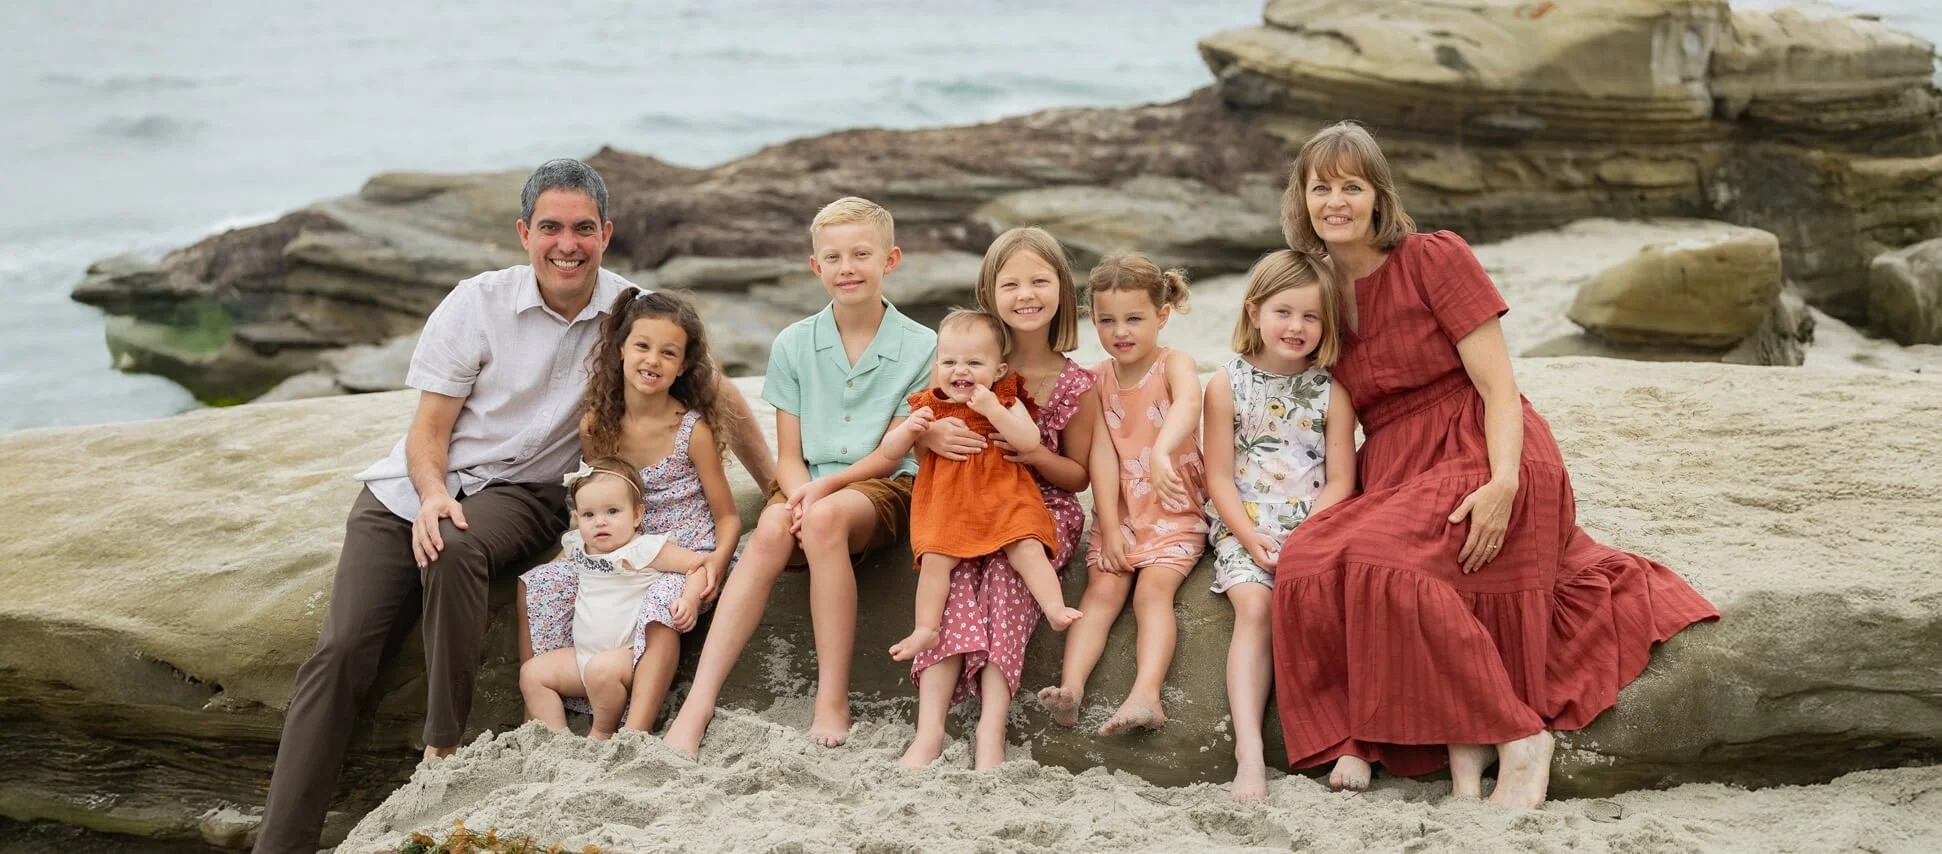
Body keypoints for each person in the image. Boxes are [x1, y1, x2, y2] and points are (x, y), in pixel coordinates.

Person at [252, 159, 771, 854]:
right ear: (525, 232)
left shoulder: (628, 313)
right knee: (343, 648)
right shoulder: (476, 303)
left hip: (523, 495)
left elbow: (718, 390)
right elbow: (428, 432)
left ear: (606, 234)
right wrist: (432, 496)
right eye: (551, 227)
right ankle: (280, 844)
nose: (567, 244)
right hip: (412, 490)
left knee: (459, 549)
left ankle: (443, 746)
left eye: (583, 229)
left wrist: (780, 490)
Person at [1269, 121, 1718, 808]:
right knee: (1305, 560)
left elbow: (1498, 387)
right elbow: (1279, 387)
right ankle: (1363, 735)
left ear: (1377, 195)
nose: (1336, 201)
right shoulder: (1315, 289)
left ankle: (1518, 736)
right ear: (1301, 200)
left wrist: (1503, 482)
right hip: (1392, 466)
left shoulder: (1433, 259)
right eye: (1320, 187)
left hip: (1482, 444)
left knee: (1387, 564)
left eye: (1351, 186)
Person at [660, 196, 936, 758]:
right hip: (807, 480)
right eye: (832, 256)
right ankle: (699, 702)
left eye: (862, 254)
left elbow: (890, 455)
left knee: (825, 519)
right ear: (815, 267)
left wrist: (820, 492)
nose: (847, 267)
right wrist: (798, 490)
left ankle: (831, 699)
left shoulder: (923, 346)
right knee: (769, 531)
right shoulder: (792, 343)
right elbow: (789, 455)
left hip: (881, 485)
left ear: (892, 259)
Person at [902, 227, 1100, 770]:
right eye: (1010, 283)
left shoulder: (1076, 382)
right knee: (953, 587)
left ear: (1062, 289)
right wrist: (930, 435)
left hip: (1039, 509)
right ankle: (930, 729)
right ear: (989, 293)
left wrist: (1032, 456)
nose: (1026, 294)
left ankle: (992, 727)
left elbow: (1077, 475)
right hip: (967, 503)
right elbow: (918, 417)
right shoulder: (967, 356)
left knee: (1007, 585)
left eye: (1040, 280)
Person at [518, 289, 744, 737]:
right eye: (642, 346)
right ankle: (542, 710)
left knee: (661, 604)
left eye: (668, 353)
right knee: (538, 583)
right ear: (620, 348)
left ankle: (635, 729)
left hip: (681, 555)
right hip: (618, 541)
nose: (652, 360)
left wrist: (715, 564)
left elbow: (729, 518)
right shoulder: (597, 426)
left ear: (683, 366)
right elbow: (593, 496)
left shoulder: (689, 430)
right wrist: (573, 550)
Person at [1200, 250, 1356, 802]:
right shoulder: (1225, 385)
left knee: (1334, 600)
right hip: (1246, 525)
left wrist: (1309, 535)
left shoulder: (1331, 392)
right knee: (1258, 606)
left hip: (1314, 525)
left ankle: (1352, 740)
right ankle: (1249, 753)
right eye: (1283, 312)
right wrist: (1248, 536)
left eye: (1311, 317)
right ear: (1254, 310)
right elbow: (1217, 476)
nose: (1296, 327)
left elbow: (1341, 479)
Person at [1037, 254, 1208, 737]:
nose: (1121, 331)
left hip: (1174, 509)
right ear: (1093, 320)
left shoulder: (1174, 364)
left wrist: (1161, 454)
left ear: (1162, 316)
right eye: (1107, 320)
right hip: (1123, 513)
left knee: (1152, 594)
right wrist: (1110, 531)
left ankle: (1146, 694)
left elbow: (1189, 404)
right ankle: (1071, 690)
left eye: (1134, 318)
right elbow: (1102, 457)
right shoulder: (1096, 379)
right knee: (1102, 591)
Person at [884, 309, 1082, 666]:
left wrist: (994, 411)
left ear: (999, 370)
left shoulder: (1004, 398)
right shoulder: (929, 406)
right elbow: (890, 452)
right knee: (935, 560)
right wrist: (913, 429)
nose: (960, 371)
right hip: (950, 505)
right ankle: (926, 628)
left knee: (1027, 547)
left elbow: (1028, 439)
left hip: (1004, 498)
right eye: (949, 361)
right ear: (937, 364)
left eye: (974, 362)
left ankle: (1053, 606)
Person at [518, 458, 712, 739]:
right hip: (582, 657)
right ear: (577, 518)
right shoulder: (579, 546)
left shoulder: (643, 549)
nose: (600, 522)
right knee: (532, 674)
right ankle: (555, 739)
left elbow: (699, 566)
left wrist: (691, 599)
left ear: (636, 515)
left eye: (612, 511)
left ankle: (601, 733)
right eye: (588, 515)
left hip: (625, 659)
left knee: (600, 671)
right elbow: (549, 574)